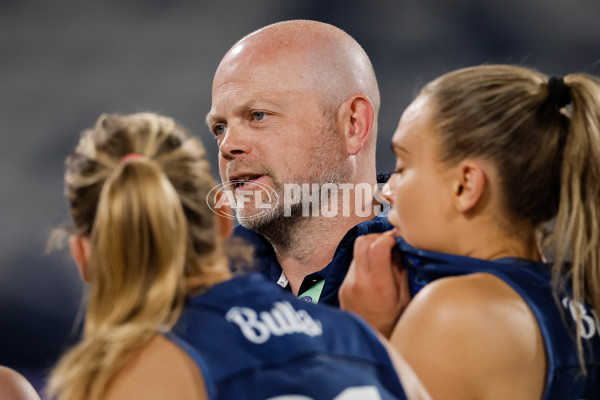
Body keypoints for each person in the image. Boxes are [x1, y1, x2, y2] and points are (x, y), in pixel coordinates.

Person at [45, 112, 430, 400]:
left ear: (84, 256)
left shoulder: (133, 373)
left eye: (258, 116)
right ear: (223, 224)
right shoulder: (358, 337)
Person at [339, 65, 600, 399]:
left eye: (403, 167)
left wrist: (364, 334)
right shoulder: (581, 292)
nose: (388, 190)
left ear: (465, 185)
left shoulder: (454, 312)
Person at [207, 20, 391, 306]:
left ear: (353, 125)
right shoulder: (190, 290)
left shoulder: (446, 275)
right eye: (219, 127)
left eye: (258, 116)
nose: (227, 145)